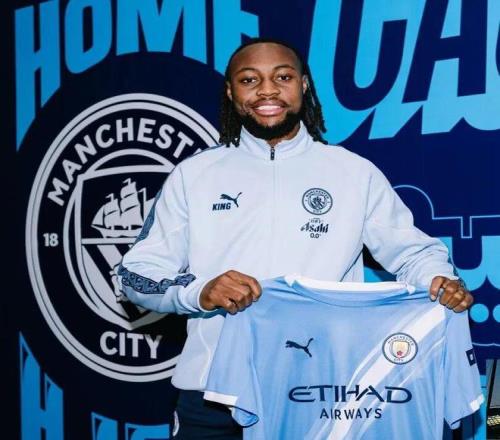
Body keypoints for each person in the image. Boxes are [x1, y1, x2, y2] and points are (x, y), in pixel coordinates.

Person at [118, 38, 473, 438]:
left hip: (322, 393)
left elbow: (413, 253)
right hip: (212, 393)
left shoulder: (353, 172)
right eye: (250, 80)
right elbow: (136, 274)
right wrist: (200, 291)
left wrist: (438, 280)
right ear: (231, 92)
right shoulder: (194, 174)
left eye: (282, 77)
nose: (267, 90)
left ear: (303, 85)